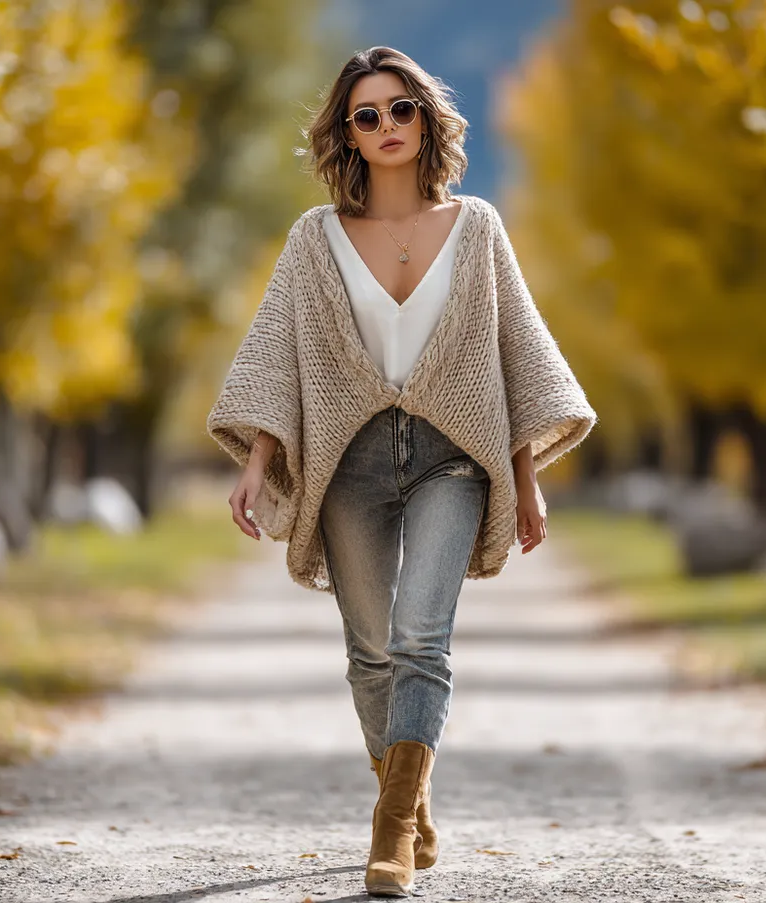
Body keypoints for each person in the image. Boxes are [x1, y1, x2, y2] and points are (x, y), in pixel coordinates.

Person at [206, 46, 596, 898]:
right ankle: (413, 801)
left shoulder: (480, 226)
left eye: (400, 109)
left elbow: (514, 358)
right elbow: (276, 354)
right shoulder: (315, 238)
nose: (386, 127)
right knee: (372, 651)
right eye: (366, 116)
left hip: (453, 459)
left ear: (427, 117)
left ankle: (388, 833)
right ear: (346, 135)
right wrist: (258, 463)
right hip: (348, 463)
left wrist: (524, 479)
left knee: (423, 638)